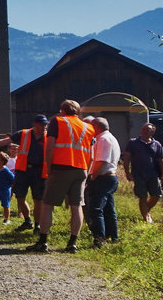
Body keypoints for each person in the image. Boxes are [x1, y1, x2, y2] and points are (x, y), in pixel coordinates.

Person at [26, 99, 94, 254]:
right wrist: (86, 173)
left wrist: (49, 168)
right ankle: (72, 243)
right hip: (81, 169)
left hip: (61, 167)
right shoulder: (88, 127)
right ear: (78, 112)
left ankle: (43, 242)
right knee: (77, 206)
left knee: (47, 204)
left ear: (62, 110)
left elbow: (49, 147)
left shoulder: (57, 121)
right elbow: (91, 156)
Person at [84, 117, 120, 248]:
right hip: (110, 178)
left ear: (96, 127)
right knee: (109, 209)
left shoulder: (103, 139)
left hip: (103, 178)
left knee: (96, 209)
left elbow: (101, 161)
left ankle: (99, 239)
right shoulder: (111, 138)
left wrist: (93, 176)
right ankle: (113, 236)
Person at [11, 114, 50, 233]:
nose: (44, 127)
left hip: (40, 172)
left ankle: (37, 225)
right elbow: (4, 141)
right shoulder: (24, 134)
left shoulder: (49, 136)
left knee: (38, 199)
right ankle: (28, 220)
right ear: (35, 124)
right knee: (19, 196)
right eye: (42, 124)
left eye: (45, 124)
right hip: (23, 170)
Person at [122, 123, 163, 223]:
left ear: (152, 132)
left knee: (156, 195)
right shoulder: (133, 143)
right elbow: (126, 158)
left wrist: (162, 174)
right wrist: (127, 172)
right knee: (142, 196)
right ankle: (146, 218)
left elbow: (160, 160)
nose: (144, 132)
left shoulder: (157, 144)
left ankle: (146, 210)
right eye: (143, 129)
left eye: (147, 130)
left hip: (154, 174)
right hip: (139, 174)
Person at [0, 151, 15, 224]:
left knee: (6, 205)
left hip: (5, 190)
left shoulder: (6, 170)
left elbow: (13, 179)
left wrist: (10, 186)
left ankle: (7, 219)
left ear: (2, 161)